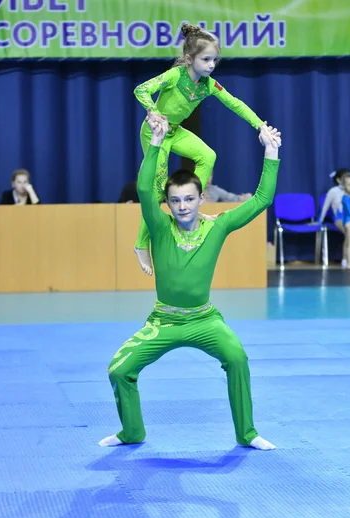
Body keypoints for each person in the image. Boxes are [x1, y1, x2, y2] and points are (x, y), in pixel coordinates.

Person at [99, 114, 281, 451]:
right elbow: (143, 188)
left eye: (189, 199)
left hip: (205, 320)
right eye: (176, 200)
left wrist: (271, 153)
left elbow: (261, 201)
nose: (183, 206)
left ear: (201, 199)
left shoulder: (218, 226)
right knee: (118, 370)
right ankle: (132, 432)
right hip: (163, 321)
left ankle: (247, 433)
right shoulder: (158, 225)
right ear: (167, 203)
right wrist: (155, 143)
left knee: (237, 358)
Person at [133, 22, 275, 276]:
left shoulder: (208, 85)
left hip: (175, 131)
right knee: (157, 188)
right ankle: (141, 244)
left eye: (215, 60)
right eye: (206, 59)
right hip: (156, 133)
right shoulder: (175, 76)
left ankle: (192, 203)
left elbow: (236, 104)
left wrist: (260, 126)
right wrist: (152, 111)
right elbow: (141, 89)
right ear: (189, 59)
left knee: (208, 155)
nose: (211, 65)